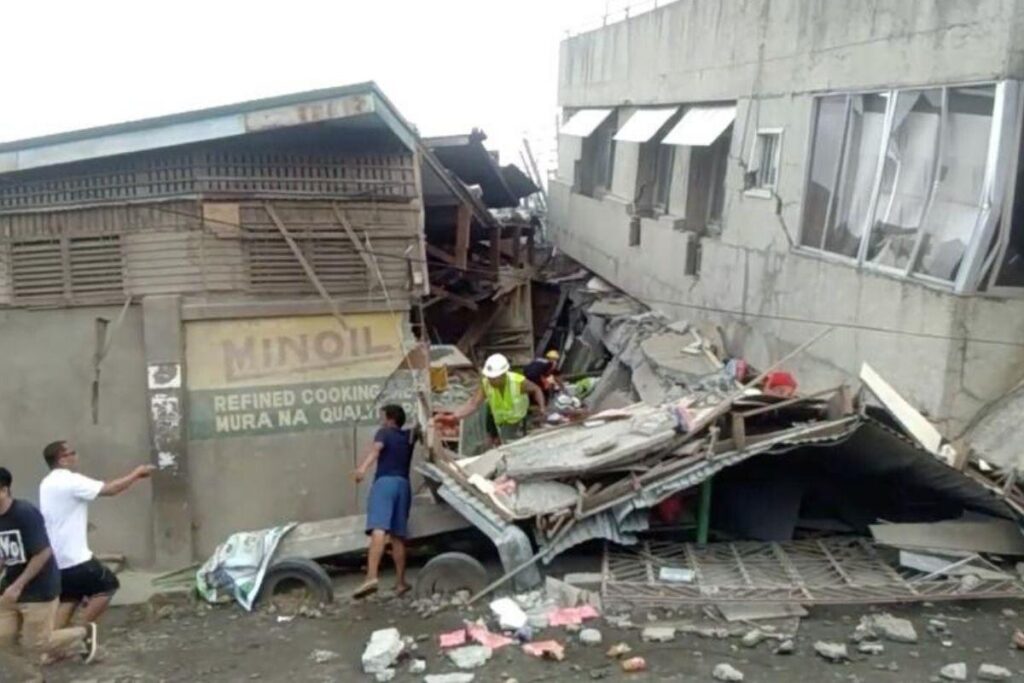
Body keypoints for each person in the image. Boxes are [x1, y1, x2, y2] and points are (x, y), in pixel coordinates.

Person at [39, 442, 154, 628]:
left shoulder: (47, 483)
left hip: (57, 558)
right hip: (75, 558)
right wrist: (137, 474)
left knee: (70, 598)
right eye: (72, 453)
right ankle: (79, 630)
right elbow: (110, 489)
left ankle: (53, 647)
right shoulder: (70, 480)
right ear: (62, 460)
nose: (76, 456)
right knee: (107, 586)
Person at [0, 467, 96, 666]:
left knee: (37, 644)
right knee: (4, 640)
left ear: (3, 490)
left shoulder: (25, 513)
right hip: (9, 587)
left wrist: (18, 586)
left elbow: (43, 553)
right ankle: (29, 677)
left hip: (38, 588)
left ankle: (84, 632)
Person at [351, 405, 417, 599]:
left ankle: (371, 577)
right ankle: (400, 582)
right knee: (398, 536)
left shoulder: (384, 432)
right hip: (404, 485)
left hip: (385, 483)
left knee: (379, 529)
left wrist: (362, 469)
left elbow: (376, 450)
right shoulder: (409, 437)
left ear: (390, 419)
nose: (381, 420)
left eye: (382, 417)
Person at [451, 353, 546, 446]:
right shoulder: (486, 384)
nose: (492, 381)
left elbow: (536, 390)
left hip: (517, 421)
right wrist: (454, 417)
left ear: (504, 375)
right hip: (500, 421)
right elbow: (473, 404)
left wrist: (542, 408)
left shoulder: (518, 382)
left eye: (495, 378)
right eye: (490, 377)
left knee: (514, 445)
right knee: (504, 444)